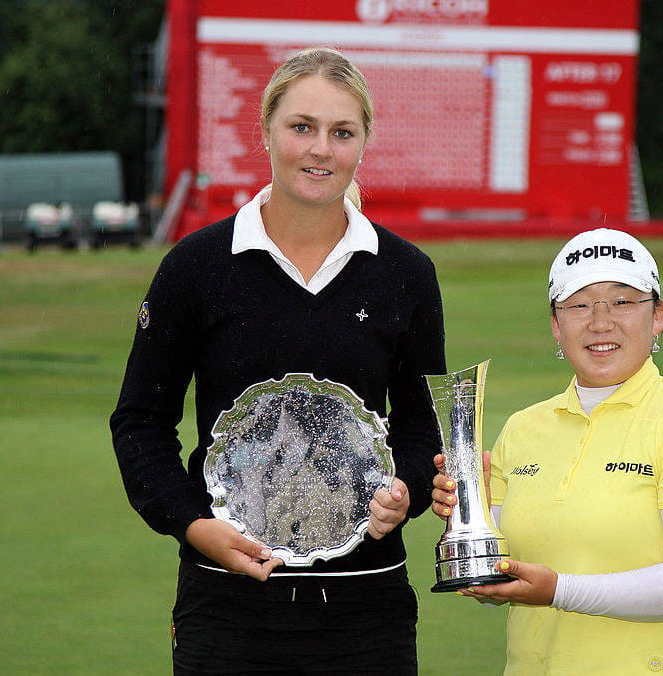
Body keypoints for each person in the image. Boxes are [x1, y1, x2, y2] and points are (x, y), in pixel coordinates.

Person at [111, 47, 446, 674]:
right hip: (228, 607)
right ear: (267, 131)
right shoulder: (196, 267)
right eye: (302, 127)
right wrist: (192, 524)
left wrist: (408, 491)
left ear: (363, 144)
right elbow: (140, 422)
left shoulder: (407, 275)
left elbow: (423, 427)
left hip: (368, 609)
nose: (321, 149)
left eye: (341, 132)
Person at [431, 228, 663, 674]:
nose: (601, 322)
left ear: (657, 317)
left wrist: (558, 590)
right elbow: (500, 584)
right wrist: (468, 521)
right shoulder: (523, 428)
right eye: (579, 305)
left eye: (622, 302)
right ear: (556, 325)